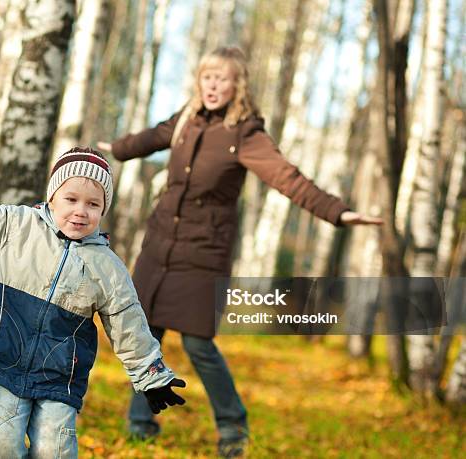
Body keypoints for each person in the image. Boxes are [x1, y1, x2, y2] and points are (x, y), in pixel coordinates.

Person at [97, 46, 382, 458]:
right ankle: (141, 423)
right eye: (207, 77)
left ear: (238, 85)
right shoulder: (187, 118)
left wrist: (337, 212)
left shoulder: (245, 134)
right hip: (159, 246)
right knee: (146, 335)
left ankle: (233, 428)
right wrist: (116, 147)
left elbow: (288, 177)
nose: (213, 85)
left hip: (203, 254)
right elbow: (153, 136)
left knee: (197, 344)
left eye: (222, 78)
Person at [0, 136, 186, 459]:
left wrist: (152, 375)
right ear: (52, 197)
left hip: (59, 376)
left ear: (103, 209)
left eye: (93, 204)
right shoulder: (12, 227)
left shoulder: (107, 268)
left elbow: (128, 321)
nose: (81, 212)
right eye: (71, 199)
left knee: (56, 448)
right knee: (0, 444)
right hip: (7, 358)